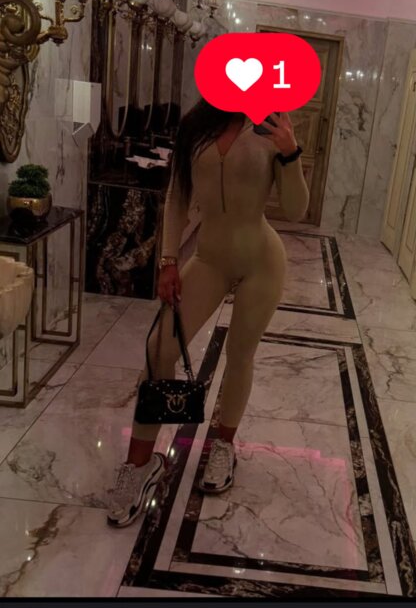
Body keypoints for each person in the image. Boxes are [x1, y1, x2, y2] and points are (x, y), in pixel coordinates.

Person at [107, 99, 309, 527]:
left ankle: (223, 446)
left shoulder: (270, 125)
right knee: (159, 348)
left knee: (240, 354)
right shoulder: (195, 127)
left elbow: (296, 210)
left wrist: (290, 153)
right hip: (209, 260)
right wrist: (168, 260)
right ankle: (140, 465)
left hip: (261, 261)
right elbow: (177, 197)